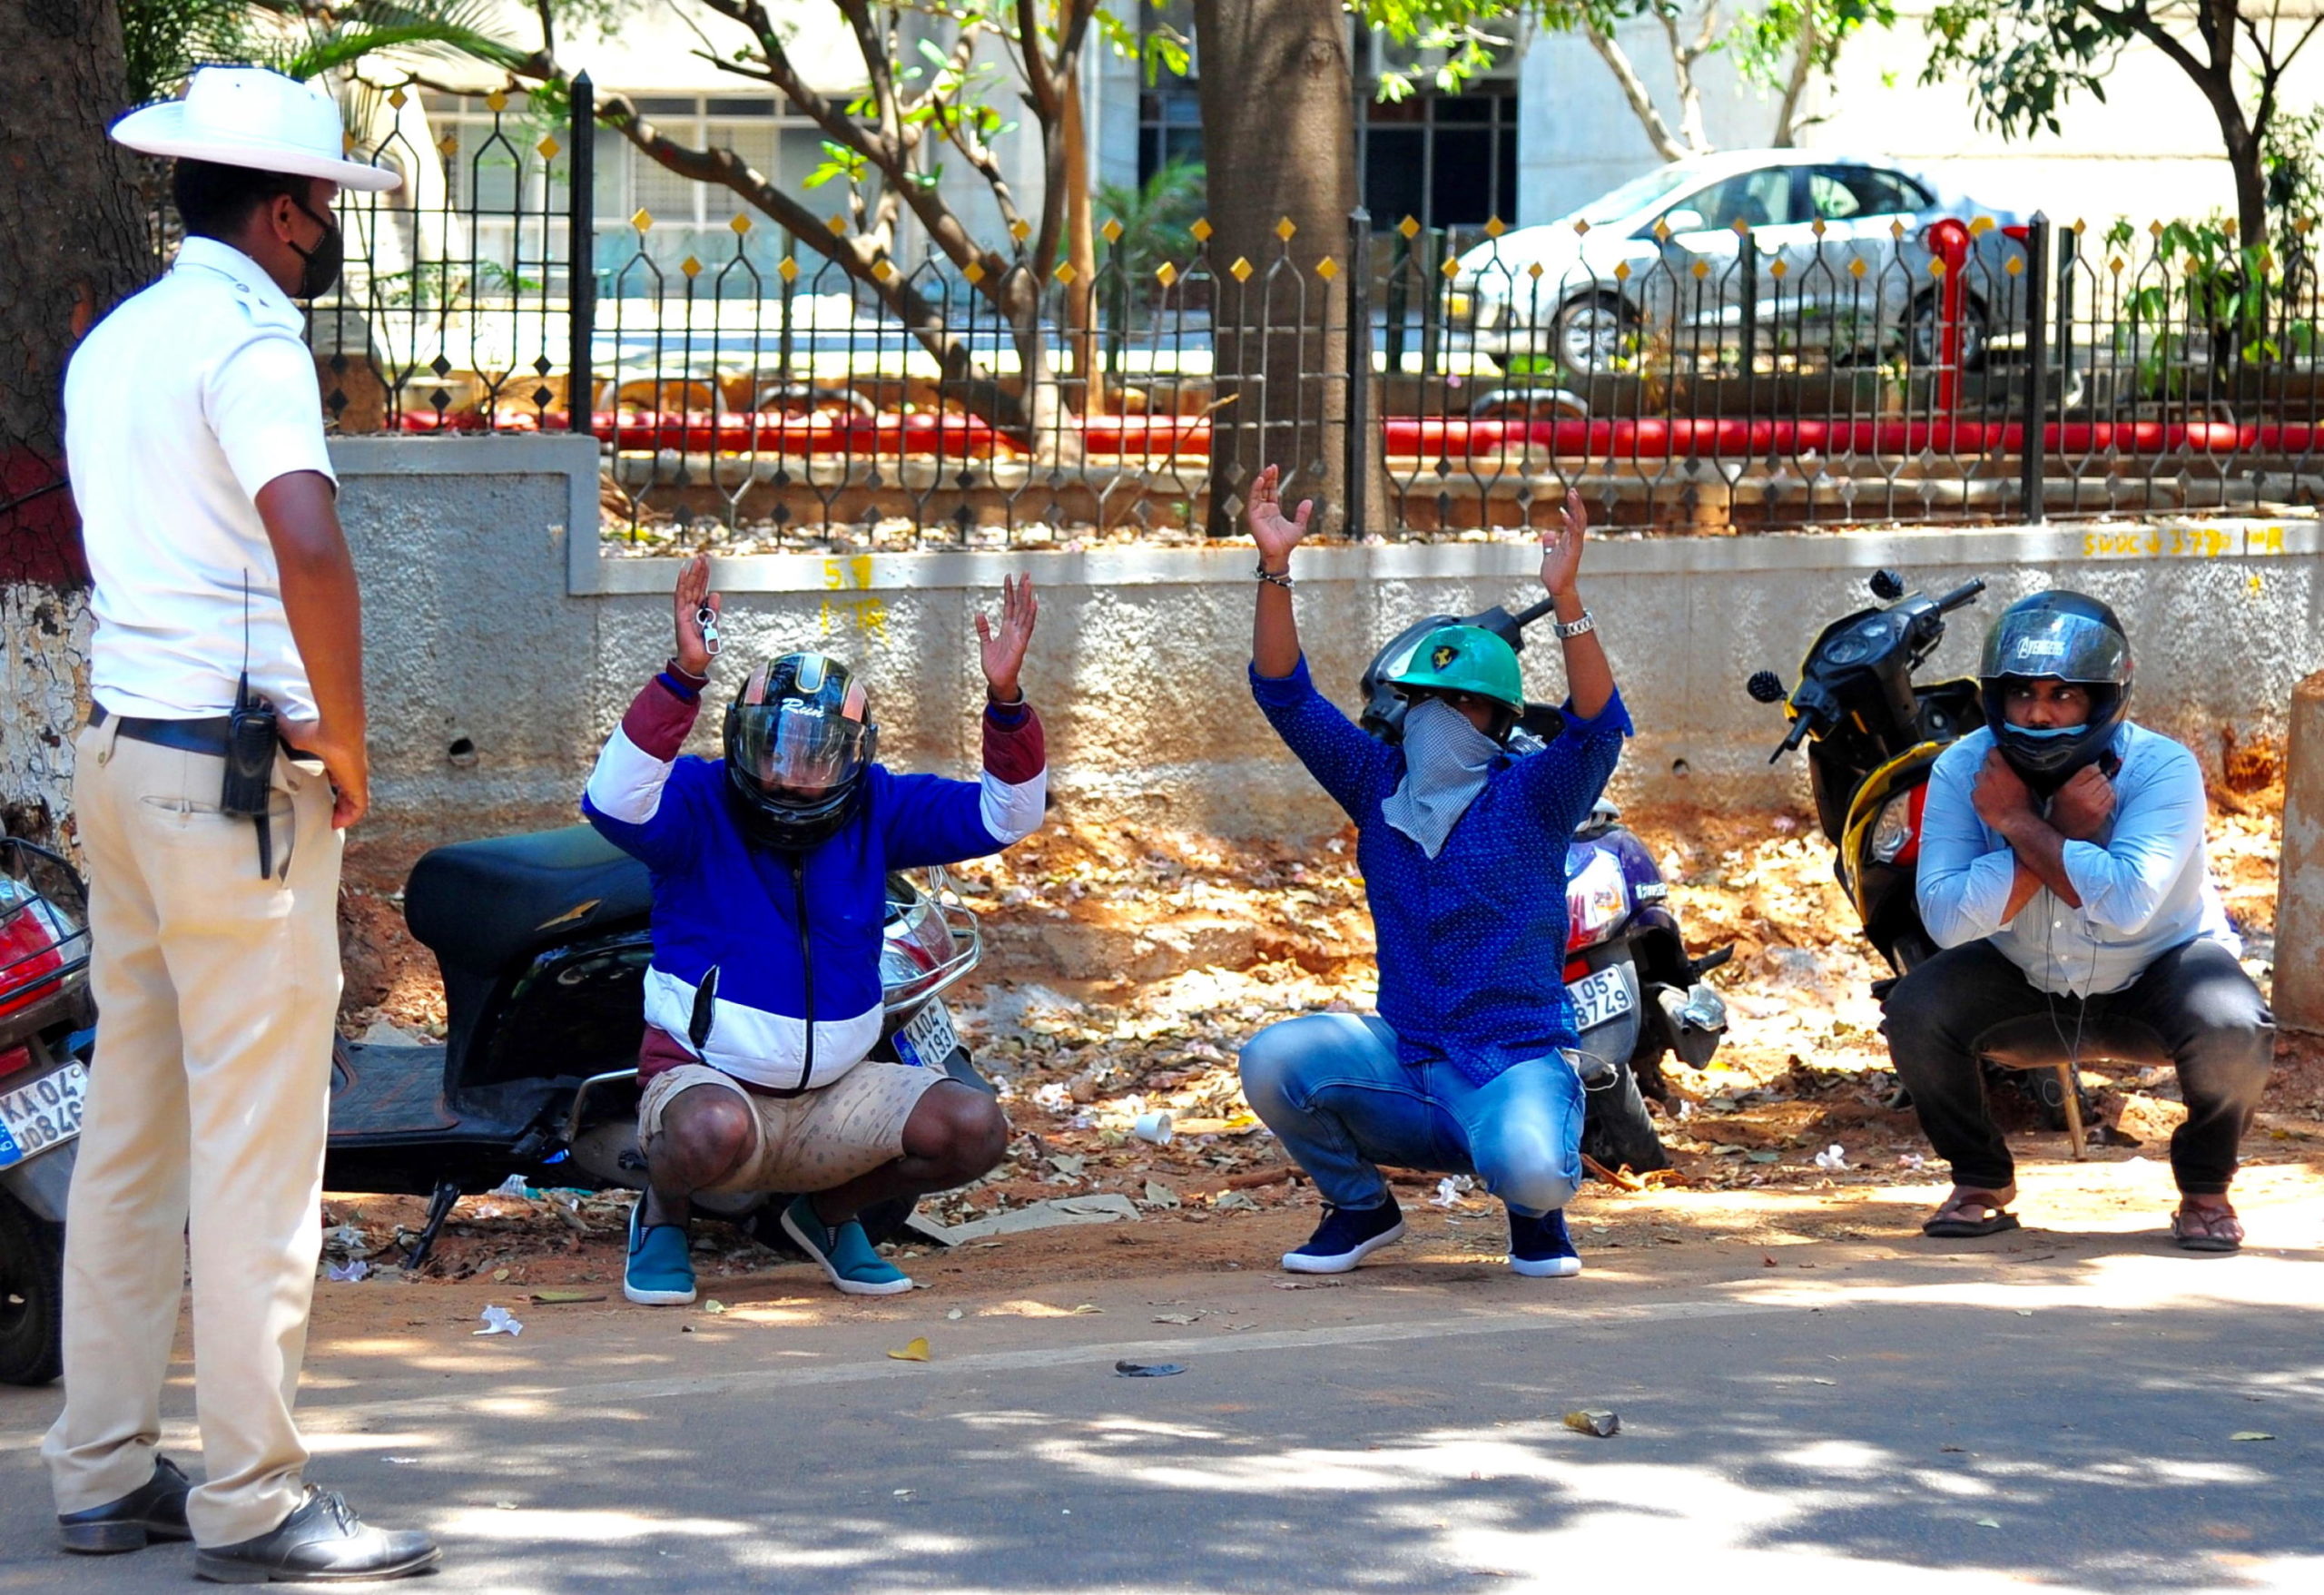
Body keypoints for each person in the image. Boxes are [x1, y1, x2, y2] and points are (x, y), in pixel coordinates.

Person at [43, 67, 439, 1580]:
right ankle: (255, 1498)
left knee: (130, 1132)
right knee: (261, 1149)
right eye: (325, 205)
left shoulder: (118, 343)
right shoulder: (251, 342)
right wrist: (343, 742)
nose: (329, 228)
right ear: (279, 212)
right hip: (235, 787)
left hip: (124, 767)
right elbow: (308, 543)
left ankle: (101, 1464)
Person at [586, 556, 1046, 1304]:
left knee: (976, 1126)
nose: (792, 776)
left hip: (836, 1091)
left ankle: (827, 1219)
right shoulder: (699, 803)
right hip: (712, 1083)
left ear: (854, 759)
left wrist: (1005, 700)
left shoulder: (876, 806)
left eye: (817, 755)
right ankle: (663, 1217)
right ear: (741, 740)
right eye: (774, 748)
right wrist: (683, 676)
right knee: (707, 1128)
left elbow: (1010, 815)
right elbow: (612, 800)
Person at [1236, 467, 1633, 1277]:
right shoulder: (1374, 784)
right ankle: (1361, 1207)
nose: (1431, 718)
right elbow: (1284, 694)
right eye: (1418, 700)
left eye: (1454, 703)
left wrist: (1567, 597)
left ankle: (1535, 1218)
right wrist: (1275, 567)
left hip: (1511, 1059)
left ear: (1493, 719)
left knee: (1530, 1164)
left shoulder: (1530, 795)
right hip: (1407, 1056)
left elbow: (1598, 727)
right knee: (1273, 1058)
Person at [1886, 590, 2272, 1250]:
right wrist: (2054, 830)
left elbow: (2126, 905)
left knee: (2233, 1021)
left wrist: (2017, 825)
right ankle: (1981, 1180)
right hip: (2024, 976)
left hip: (2160, 971)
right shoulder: (1960, 769)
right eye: (2022, 694)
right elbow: (1948, 922)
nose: (2038, 713)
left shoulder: (2162, 768)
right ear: (1996, 697)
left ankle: (2206, 1189)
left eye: (2063, 695)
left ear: (2102, 697)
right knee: (1915, 1008)